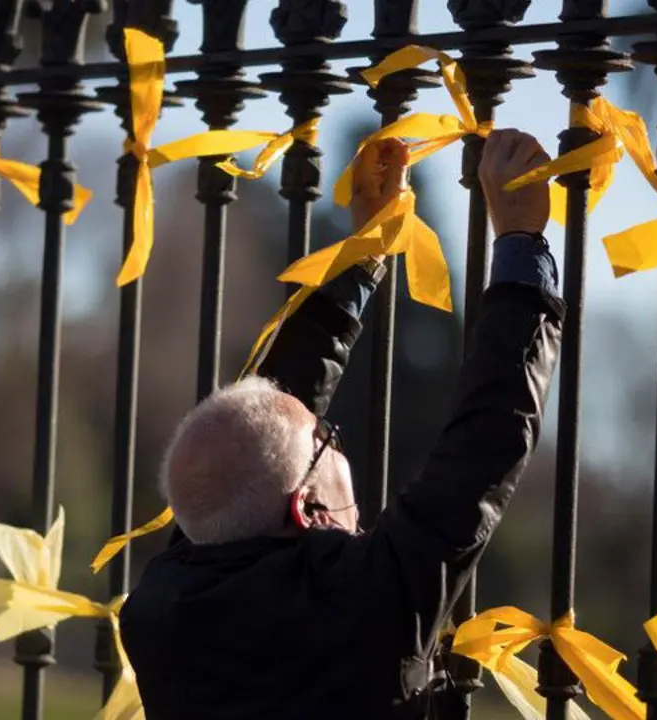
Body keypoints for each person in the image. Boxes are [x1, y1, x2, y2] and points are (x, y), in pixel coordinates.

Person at [119, 129, 563, 719]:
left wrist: (365, 251)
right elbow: (485, 441)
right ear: (306, 507)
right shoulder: (362, 600)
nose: (331, 436)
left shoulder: (158, 608)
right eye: (326, 440)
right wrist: (521, 240)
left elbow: (259, 441)